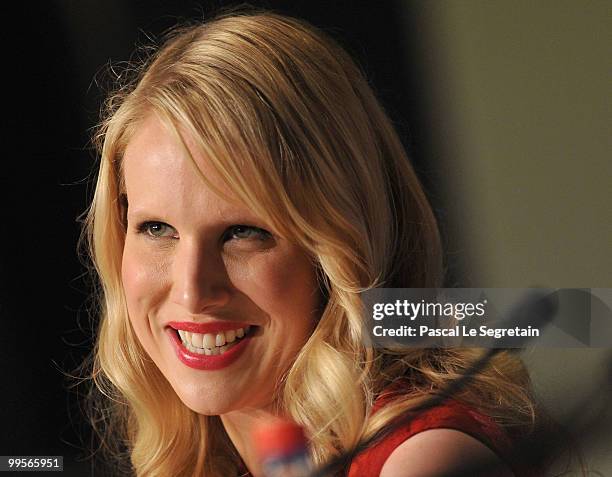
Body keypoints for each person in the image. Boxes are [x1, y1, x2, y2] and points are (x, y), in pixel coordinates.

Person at [80, 8, 549, 477]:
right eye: (157, 229)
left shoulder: (420, 462)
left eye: (243, 233)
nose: (190, 290)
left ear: (338, 248)